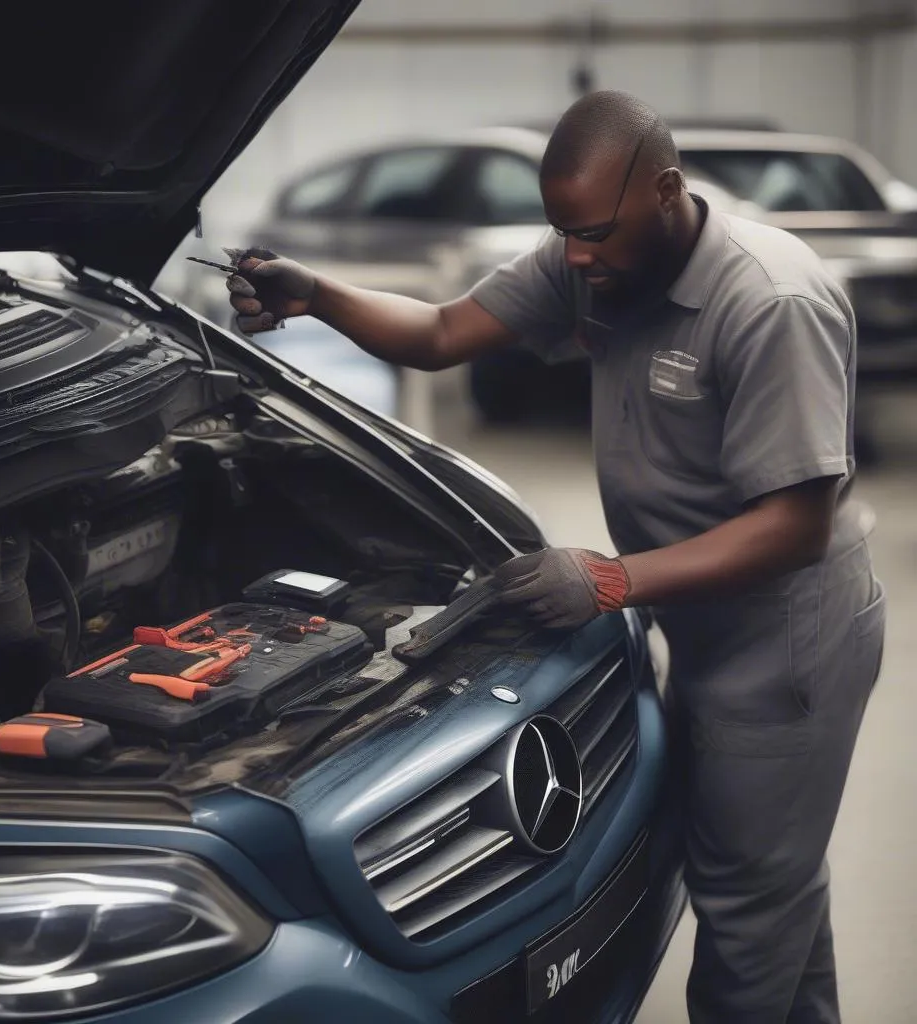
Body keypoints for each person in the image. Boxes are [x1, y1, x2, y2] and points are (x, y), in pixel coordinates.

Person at [224, 90, 886, 1023]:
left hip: (785, 638)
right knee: (768, 883)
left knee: (743, 916)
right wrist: (318, 295)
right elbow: (444, 332)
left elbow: (794, 527)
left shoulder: (769, 299)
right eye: (562, 232)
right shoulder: (597, 257)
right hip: (697, 614)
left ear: (666, 189)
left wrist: (611, 580)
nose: (575, 257)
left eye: (595, 233)